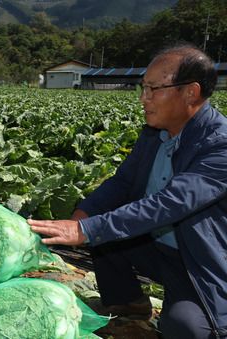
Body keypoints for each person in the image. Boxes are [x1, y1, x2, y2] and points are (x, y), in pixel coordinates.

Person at [28, 44, 227, 339]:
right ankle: (129, 303)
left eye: (153, 89)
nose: (143, 99)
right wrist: (83, 214)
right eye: (142, 88)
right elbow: (122, 182)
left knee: (184, 328)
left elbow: (169, 204)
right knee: (101, 222)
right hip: (155, 246)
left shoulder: (219, 144)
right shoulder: (153, 133)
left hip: (197, 260)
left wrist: (86, 229)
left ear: (191, 92)